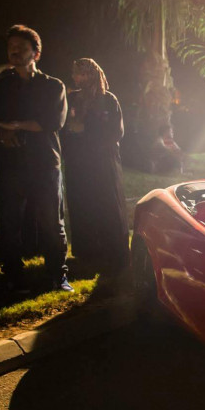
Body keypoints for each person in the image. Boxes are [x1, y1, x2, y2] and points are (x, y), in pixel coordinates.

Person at [0, 25, 70, 292]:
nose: (15, 51)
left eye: (21, 47)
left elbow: (52, 122)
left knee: (51, 222)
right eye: (11, 47)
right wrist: (3, 132)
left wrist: (15, 126)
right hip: (11, 164)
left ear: (36, 53)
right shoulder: (4, 85)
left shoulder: (53, 85)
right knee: (9, 222)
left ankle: (58, 275)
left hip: (44, 163)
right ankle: (13, 276)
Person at [61, 58, 129, 278]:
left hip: (103, 164)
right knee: (82, 204)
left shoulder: (108, 100)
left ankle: (114, 252)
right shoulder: (72, 99)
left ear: (92, 74)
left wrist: (85, 129)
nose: (76, 77)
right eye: (75, 73)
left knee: (107, 204)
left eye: (81, 73)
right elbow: (64, 128)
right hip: (78, 164)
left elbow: (116, 132)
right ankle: (87, 252)